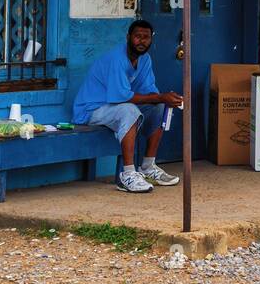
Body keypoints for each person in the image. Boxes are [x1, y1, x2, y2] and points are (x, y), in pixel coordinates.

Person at [72, 19, 184, 193]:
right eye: (137, 36)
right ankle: (128, 175)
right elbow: (120, 97)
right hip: (91, 110)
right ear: (128, 37)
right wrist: (161, 96)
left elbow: (150, 93)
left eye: (146, 37)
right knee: (128, 109)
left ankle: (147, 167)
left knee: (159, 106)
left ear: (151, 39)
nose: (141, 41)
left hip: (112, 109)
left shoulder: (145, 60)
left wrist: (167, 99)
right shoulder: (117, 58)